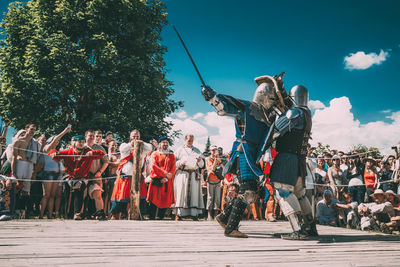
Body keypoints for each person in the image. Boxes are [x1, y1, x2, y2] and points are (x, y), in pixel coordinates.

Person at [203, 74, 283, 238]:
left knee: (250, 189)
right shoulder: (247, 107)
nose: (273, 102)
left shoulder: (268, 116)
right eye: (272, 98)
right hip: (243, 151)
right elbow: (225, 107)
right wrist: (213, 99)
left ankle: (224, 217)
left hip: (252, 155)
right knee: (249, 191)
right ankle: (231, 228)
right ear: (264, 96)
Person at [269, 85, 318, 240]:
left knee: (283, 192)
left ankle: (298, 230)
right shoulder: (306, 113)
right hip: (298, 160)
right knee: (301, 195)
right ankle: (310, 227)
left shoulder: (294, 112)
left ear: (293, 98)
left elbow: (276, 131)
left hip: (287, 159)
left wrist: (273, 116)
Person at [48, 135, 105, 220]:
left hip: (83, 178)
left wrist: (92, 153)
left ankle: (77, 213)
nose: (81, 144)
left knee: (79, 187)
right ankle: (67, 214)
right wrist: (53, 153)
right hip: (70, 177)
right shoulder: (68, 152)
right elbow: (53, 153)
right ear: (74, 143)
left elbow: (101, 154)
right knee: (67, 192)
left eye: (83, 142)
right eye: (79, 142)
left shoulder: (87, 151)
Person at [110, 130, 152, 219]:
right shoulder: (124, 145)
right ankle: (115, 217)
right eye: (133, 137)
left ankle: (136, 216)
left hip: (137, 178)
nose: (135, 139)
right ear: (130, 137)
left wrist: (141, 143)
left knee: (138, 200)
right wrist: (131, 144)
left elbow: (150, 147)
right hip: (124, 178)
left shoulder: (143, 148)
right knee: (119, 201)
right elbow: (122, 149)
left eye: (137, 137)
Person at [39, 126, 71, 219]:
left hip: (57, 174)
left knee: (53, 195)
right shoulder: (46, 147)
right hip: (48, 173)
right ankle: (41, 215)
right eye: (55, 140)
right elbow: (54, 141)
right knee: (46, 195)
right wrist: (65, 131)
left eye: (58, 141)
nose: (57, 142)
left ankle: (50, 215)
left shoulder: (57, 151)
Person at [11, 124, 40, 218]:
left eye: (34, 130)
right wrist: (13, 172)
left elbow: (40, 155)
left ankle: (22, 211)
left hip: (30, 164)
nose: (32, 131)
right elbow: (13, 157)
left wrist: (34, 172)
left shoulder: (35, 143)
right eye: (31, 129)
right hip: (20, 164)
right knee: (16, 188)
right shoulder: (18, 141)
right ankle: (13, 210)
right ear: (26, 129)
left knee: (26, 190)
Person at [174, 134, 205, 221]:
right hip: (183, 174)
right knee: (181, 194)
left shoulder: (197, 150)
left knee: (194, 194)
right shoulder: (179, 150)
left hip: (194, 174)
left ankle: (194, 214)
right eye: (189, 140)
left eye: (192, 140)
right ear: (185, 140)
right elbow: (173, 163)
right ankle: (179, 214)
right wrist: (181, 162)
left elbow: (202, 165)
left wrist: (200, 161)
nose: (190, 142)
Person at [147, 137, 176, 220]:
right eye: (163, 142)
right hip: (157, 179)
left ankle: (161, 217)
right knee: (154, 199)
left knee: (164, 199)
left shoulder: (171, 155)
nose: (165, 144)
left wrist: (167, 177)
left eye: (167, 142)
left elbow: (173, 168)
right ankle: (151, 217)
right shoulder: (155, 154)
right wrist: (164, 174)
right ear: (159, 144)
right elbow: (153, 166)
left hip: (167, 180)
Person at [85, 130, 109, 220]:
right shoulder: (82, 147)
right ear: (85, 136)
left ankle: (100, 213)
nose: (91, 137)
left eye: (92, 136)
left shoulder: (99, 148)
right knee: (83, 195)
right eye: (90, 135)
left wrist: (100, 172)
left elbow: (106, 161)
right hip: (83, 176)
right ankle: (82, 213)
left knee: (97, 195)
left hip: (96, 175)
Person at [205, 145, 223, 220]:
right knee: (210, 197)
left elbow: (223, 169)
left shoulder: (220, 159)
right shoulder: (208, 159)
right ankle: (209, 214)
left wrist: (219, 161)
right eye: (213, 150)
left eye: (215, 150)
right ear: (210, 151)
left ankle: (216, 214)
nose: (214, 152)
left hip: (218, 180)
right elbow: (212, 168)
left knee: (217, 198)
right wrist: (216, 160)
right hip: (210, 180)